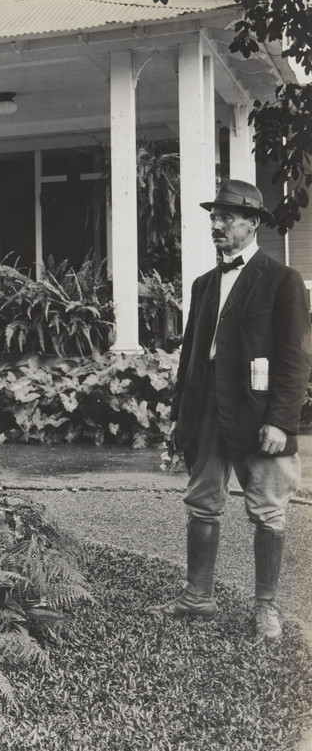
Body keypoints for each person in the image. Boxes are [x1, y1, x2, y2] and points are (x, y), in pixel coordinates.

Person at [146, 179, 312, 640]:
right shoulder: (203, 285)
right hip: (206, 414)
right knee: (201, 504)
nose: (216, 225)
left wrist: (281, 420)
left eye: (227, 218)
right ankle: (197, 597)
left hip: (259, 418)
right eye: (213, 218)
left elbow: (295, 359)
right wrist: (181, 418)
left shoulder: (282, 280)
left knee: (268, 511)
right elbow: (191, 356)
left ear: (253, 223)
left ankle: (266, 609)